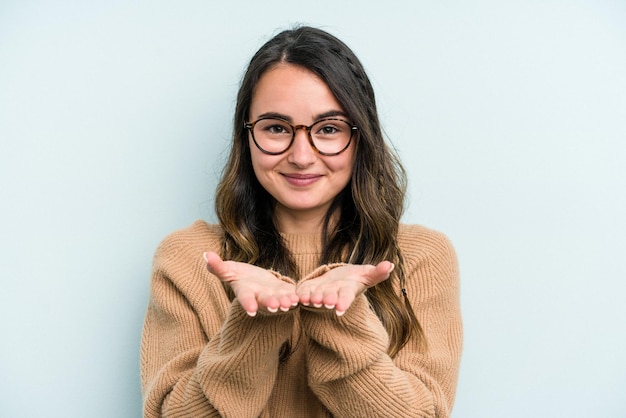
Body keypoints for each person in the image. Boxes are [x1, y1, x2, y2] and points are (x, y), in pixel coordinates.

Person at [140, 26, 462, 418]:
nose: (302, 156)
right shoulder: (188, 259)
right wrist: (253, 325)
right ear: (247, 136)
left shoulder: (419, 257)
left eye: (328, 129)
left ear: (361, 138)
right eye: (276, 128)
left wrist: (339, 318)